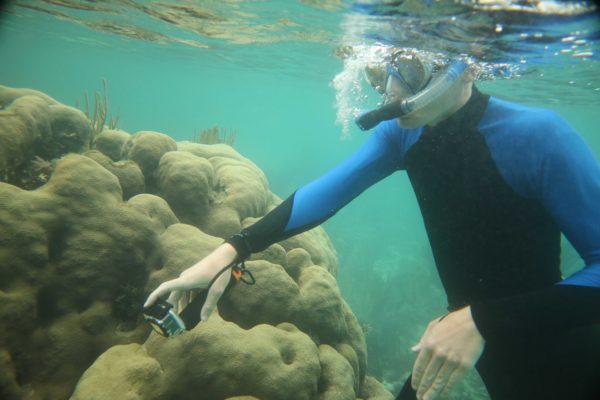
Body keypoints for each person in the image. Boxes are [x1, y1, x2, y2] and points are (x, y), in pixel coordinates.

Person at [145, 48, 600, 400]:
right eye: (380, 75)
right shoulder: (401, 134)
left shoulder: (539, 135)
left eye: (410, 71)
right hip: (469, 343)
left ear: (465, 65)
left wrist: (484, 318)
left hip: (564, 352)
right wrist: (229, 251)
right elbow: (325, 193)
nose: (393, 91)